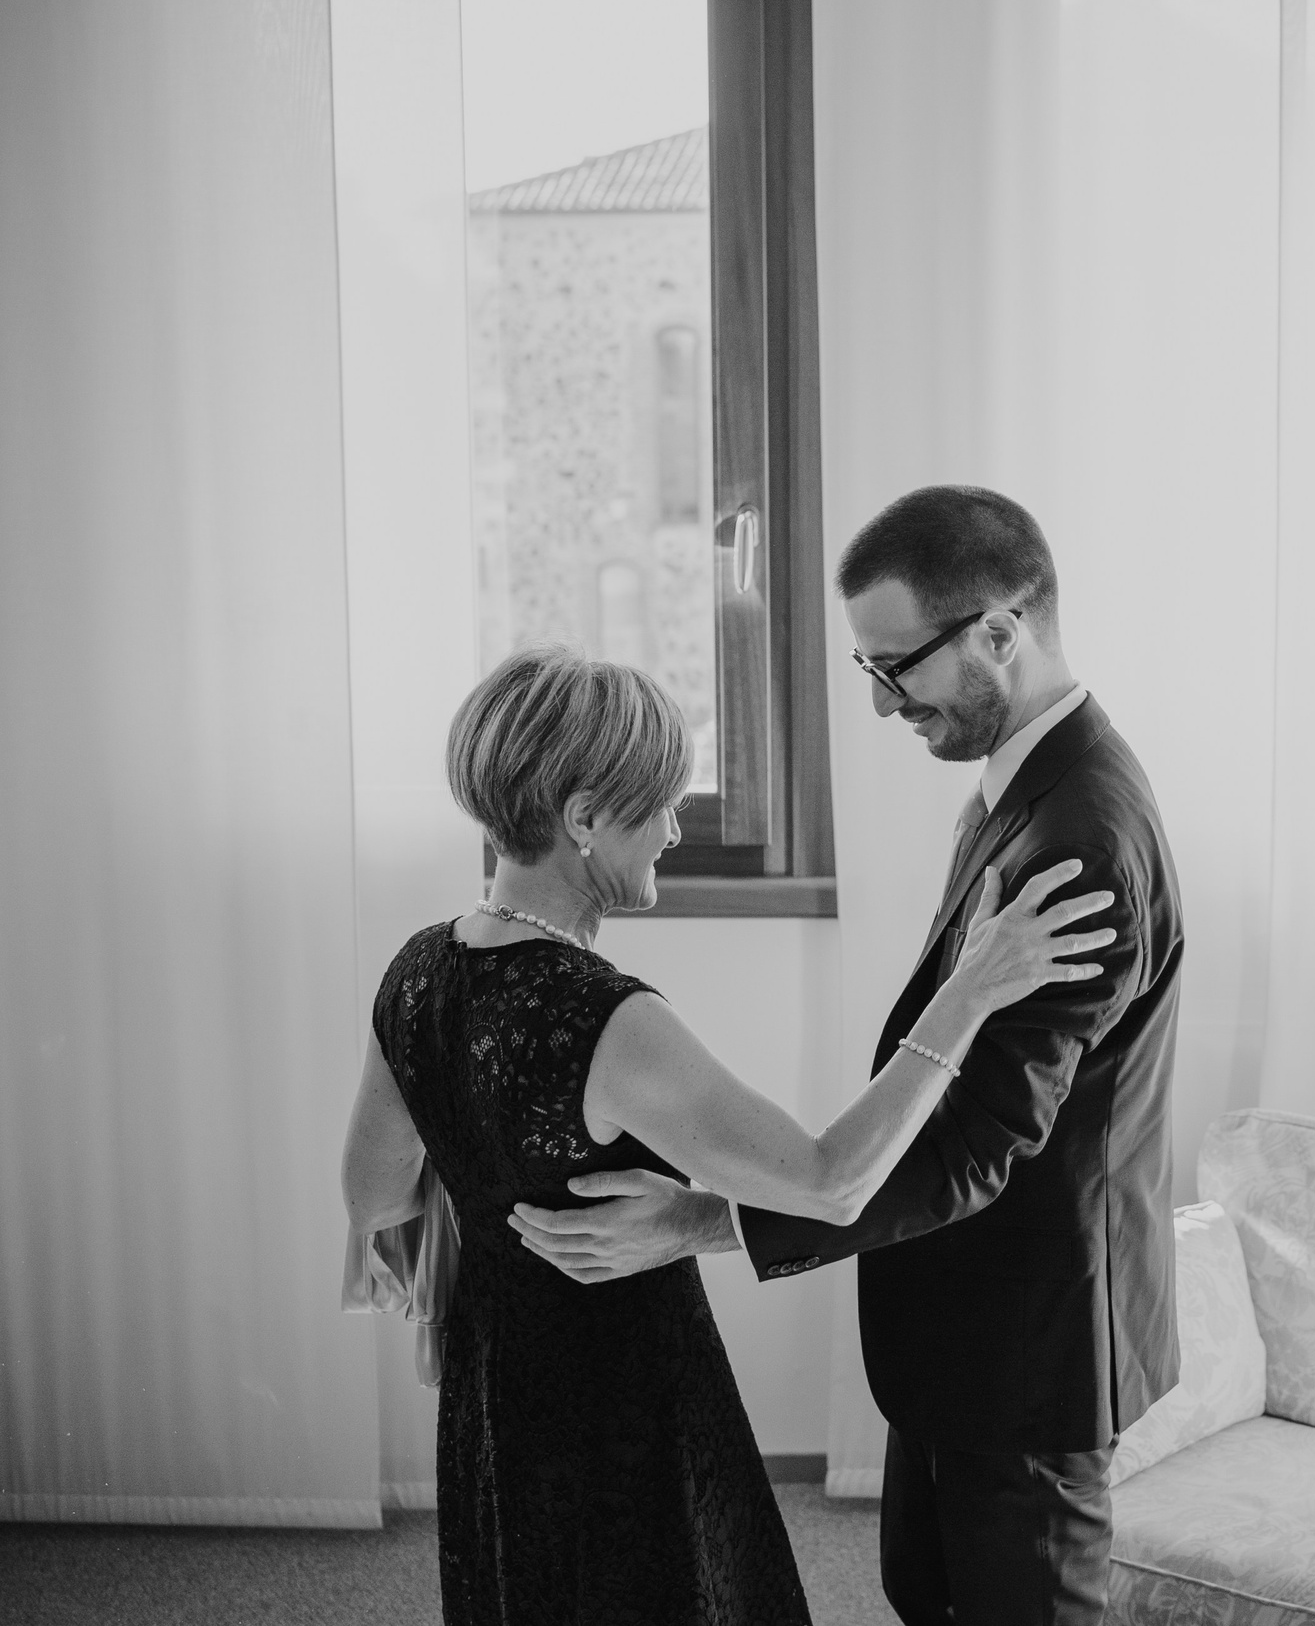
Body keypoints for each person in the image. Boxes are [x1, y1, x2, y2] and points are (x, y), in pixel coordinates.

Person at [508, 486, 1184, 1626]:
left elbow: (976, 1148)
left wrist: (698, 1217)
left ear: (1000, 633)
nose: (880, 704)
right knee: (925, 1594)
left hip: (1032, 1352)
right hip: (957, 1326)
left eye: (895, 669)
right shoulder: (1022, 784)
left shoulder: (1079, 847)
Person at [340, 643, 1117, 1626]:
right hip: (626, 1407)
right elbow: (831, 1180)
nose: (671, 827)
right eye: (660, 803)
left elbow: (373, 1195)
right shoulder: (606, 1019)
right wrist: (971, 992)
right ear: (582, 818)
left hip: (493, 1400)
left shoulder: (415, 971)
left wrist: (484, 1246)